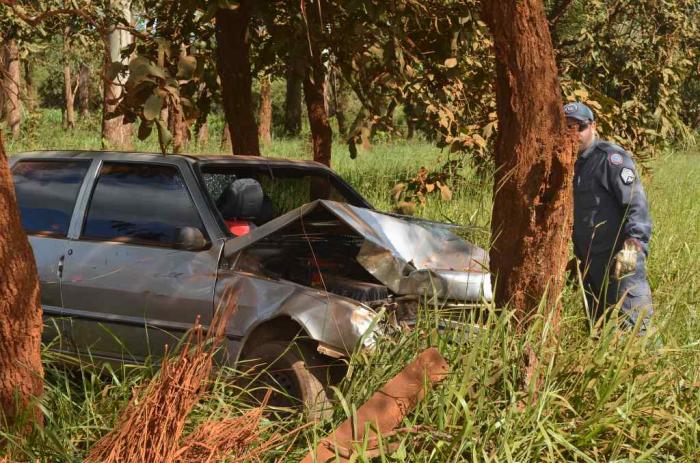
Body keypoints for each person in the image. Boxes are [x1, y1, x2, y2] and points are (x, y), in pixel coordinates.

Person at [564, 101, 653, 333]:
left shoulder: (611, 159)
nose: (574, 135)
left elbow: (636, 204)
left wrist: (633, 249)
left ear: (593, 126)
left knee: (635, 333)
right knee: (598, 334)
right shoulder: (568, 163)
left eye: (579, 127)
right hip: (590, 265)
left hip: (621, 261)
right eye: (567, 129)